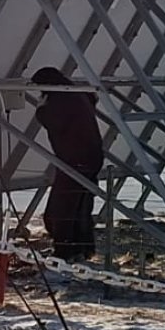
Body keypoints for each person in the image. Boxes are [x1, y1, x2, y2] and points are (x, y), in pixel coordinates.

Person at [30, 66, 104, 260]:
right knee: (81, 205)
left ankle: (64, 250)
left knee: (62, 208)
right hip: (91, 156)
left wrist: (41, 109)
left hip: (74, 160)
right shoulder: (76, 92)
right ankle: (83, 248)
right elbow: (92, 97)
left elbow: (55, 122)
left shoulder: (60, 99)